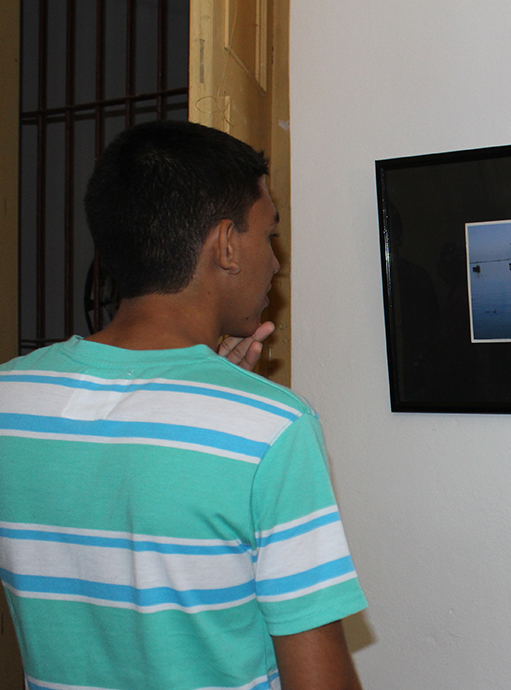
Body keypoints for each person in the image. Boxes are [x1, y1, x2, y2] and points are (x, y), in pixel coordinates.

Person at [0, 120, 367, 690]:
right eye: (268, 235)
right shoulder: (273, 428)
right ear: (225, 244)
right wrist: (225, 401)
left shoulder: (10, 397)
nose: (276, 262)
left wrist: (212, 388)